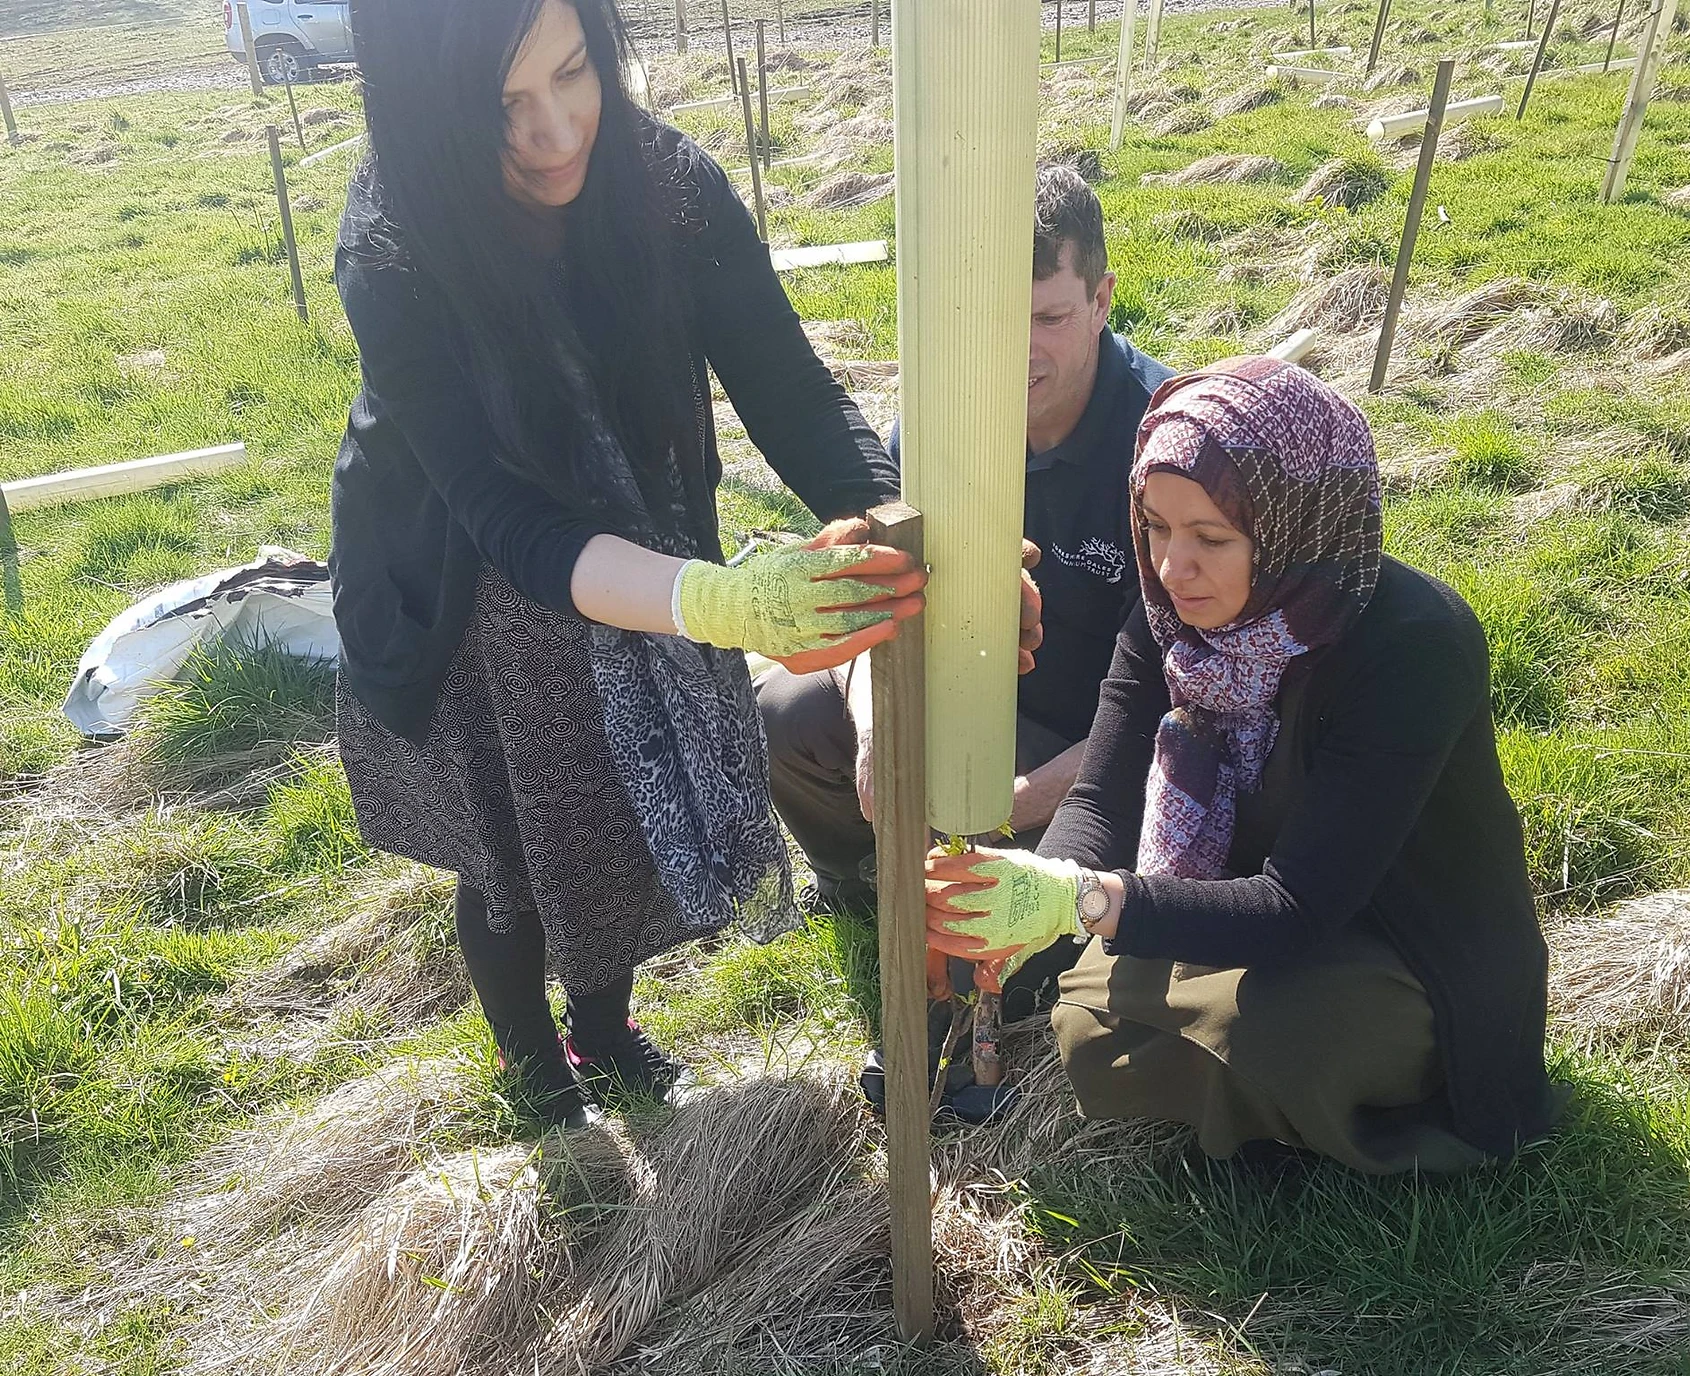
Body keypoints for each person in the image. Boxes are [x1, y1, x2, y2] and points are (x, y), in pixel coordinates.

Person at [329, 0, 926, 1128]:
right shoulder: (395, 242)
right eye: (503, 105)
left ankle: (604, 1031)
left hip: (633, 538)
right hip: (466, 576)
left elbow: (791, 388)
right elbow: (504, 514)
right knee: (511, 847)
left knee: (608, 809)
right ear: (427, 111)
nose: (556, 133)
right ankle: (538, 1078)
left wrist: (882, 520)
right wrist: (718, 601)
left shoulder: (669, 189)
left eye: (574, 74)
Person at [924, 357, 1559, 1172]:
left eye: (1211, 538)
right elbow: (1104, 802)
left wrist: (1078, 900)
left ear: (1300, 524)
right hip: (1251, 898)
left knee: (1257, 1039)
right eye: (1153, 525)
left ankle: (1366, 1124)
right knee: (1091, 1021)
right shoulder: (1172, 613)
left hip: (1405, 942)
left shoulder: (1412, 646)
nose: (1169, 567)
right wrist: (1017, 903)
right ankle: (1251, 1103)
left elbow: (1298, 905)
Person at [759, 165, 1172, 940]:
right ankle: (861, 875)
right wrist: (882, 736)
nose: (1018, 353)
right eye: (992, 317)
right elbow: (874, 595)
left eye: (1048, 317)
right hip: (954, 698)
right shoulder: (934, 429)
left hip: (1088, 751)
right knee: (783, 710)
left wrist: (1006, 802)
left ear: (1103, 300)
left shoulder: (1161, 454)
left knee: (1024, 910)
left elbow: (1174, 707)